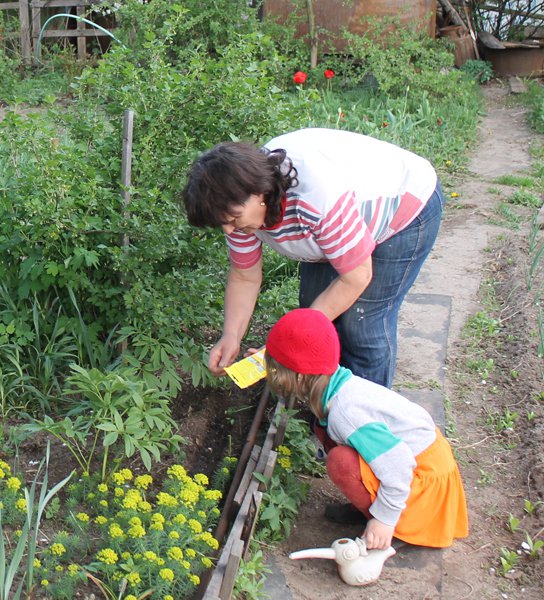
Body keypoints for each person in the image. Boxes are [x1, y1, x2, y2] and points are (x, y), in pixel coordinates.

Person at [182, 128, 445, 387]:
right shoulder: (236, 212)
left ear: (259, 194)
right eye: (222, 223)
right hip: (336, 227)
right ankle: (327, 408)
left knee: (360, 325)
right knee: (314, 313)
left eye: (233, 219)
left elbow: (356, 276)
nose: (228, 229)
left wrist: (289, 342)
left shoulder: (315, 198)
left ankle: (366, 419)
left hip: (402, 208)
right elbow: (244, 276)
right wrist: (231, 336)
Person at [264, 308, 468, 550]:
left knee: (341, 462)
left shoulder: (346, 413)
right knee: (324, 432)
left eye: (278, 371)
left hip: (424, 486)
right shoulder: (339, 385)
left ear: (298, 378)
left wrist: (384, 520)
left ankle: (394, 525)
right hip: (415, 465)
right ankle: (373, 504)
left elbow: (399, 466)